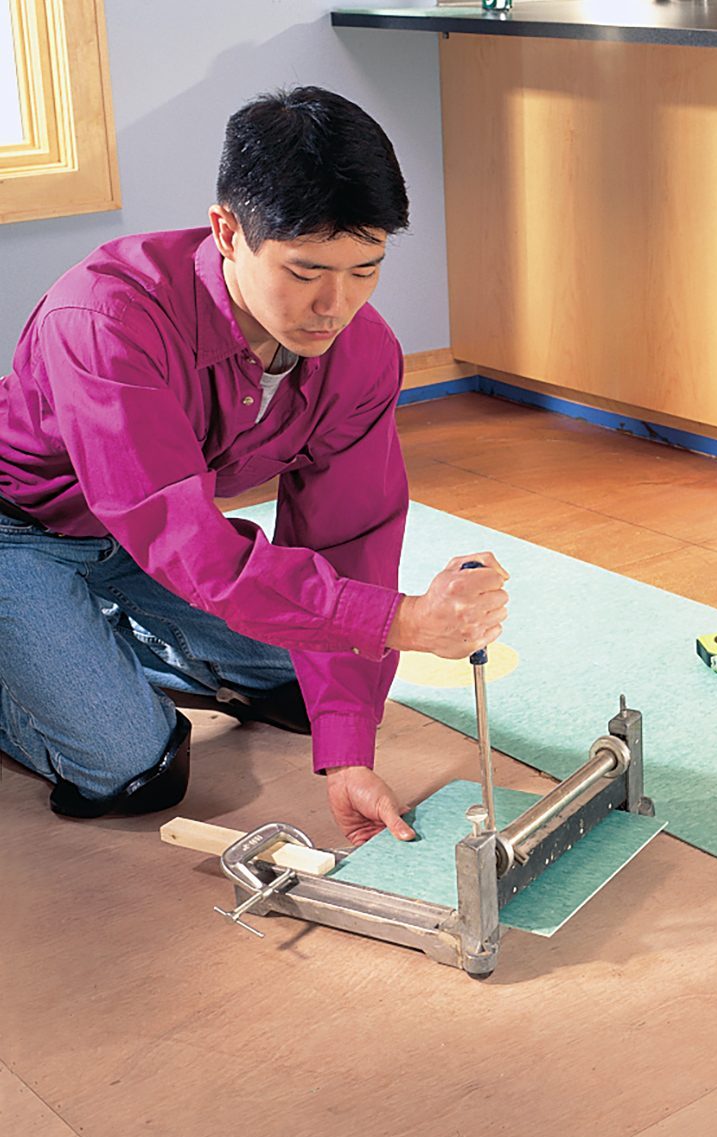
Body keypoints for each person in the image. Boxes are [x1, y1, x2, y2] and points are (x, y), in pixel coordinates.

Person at [0, 86, 508, 844]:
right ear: (227, 231)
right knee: (135, 772)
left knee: (314, 691)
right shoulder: (103, 321)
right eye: (305, 273)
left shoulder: (361, 353)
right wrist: (403, 619)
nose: (334, 306)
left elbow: (349, 538)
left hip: (146, 550)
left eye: (364, 270)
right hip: (21, 534)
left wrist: (348, 756)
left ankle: (90, 635)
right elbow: (185, 545)